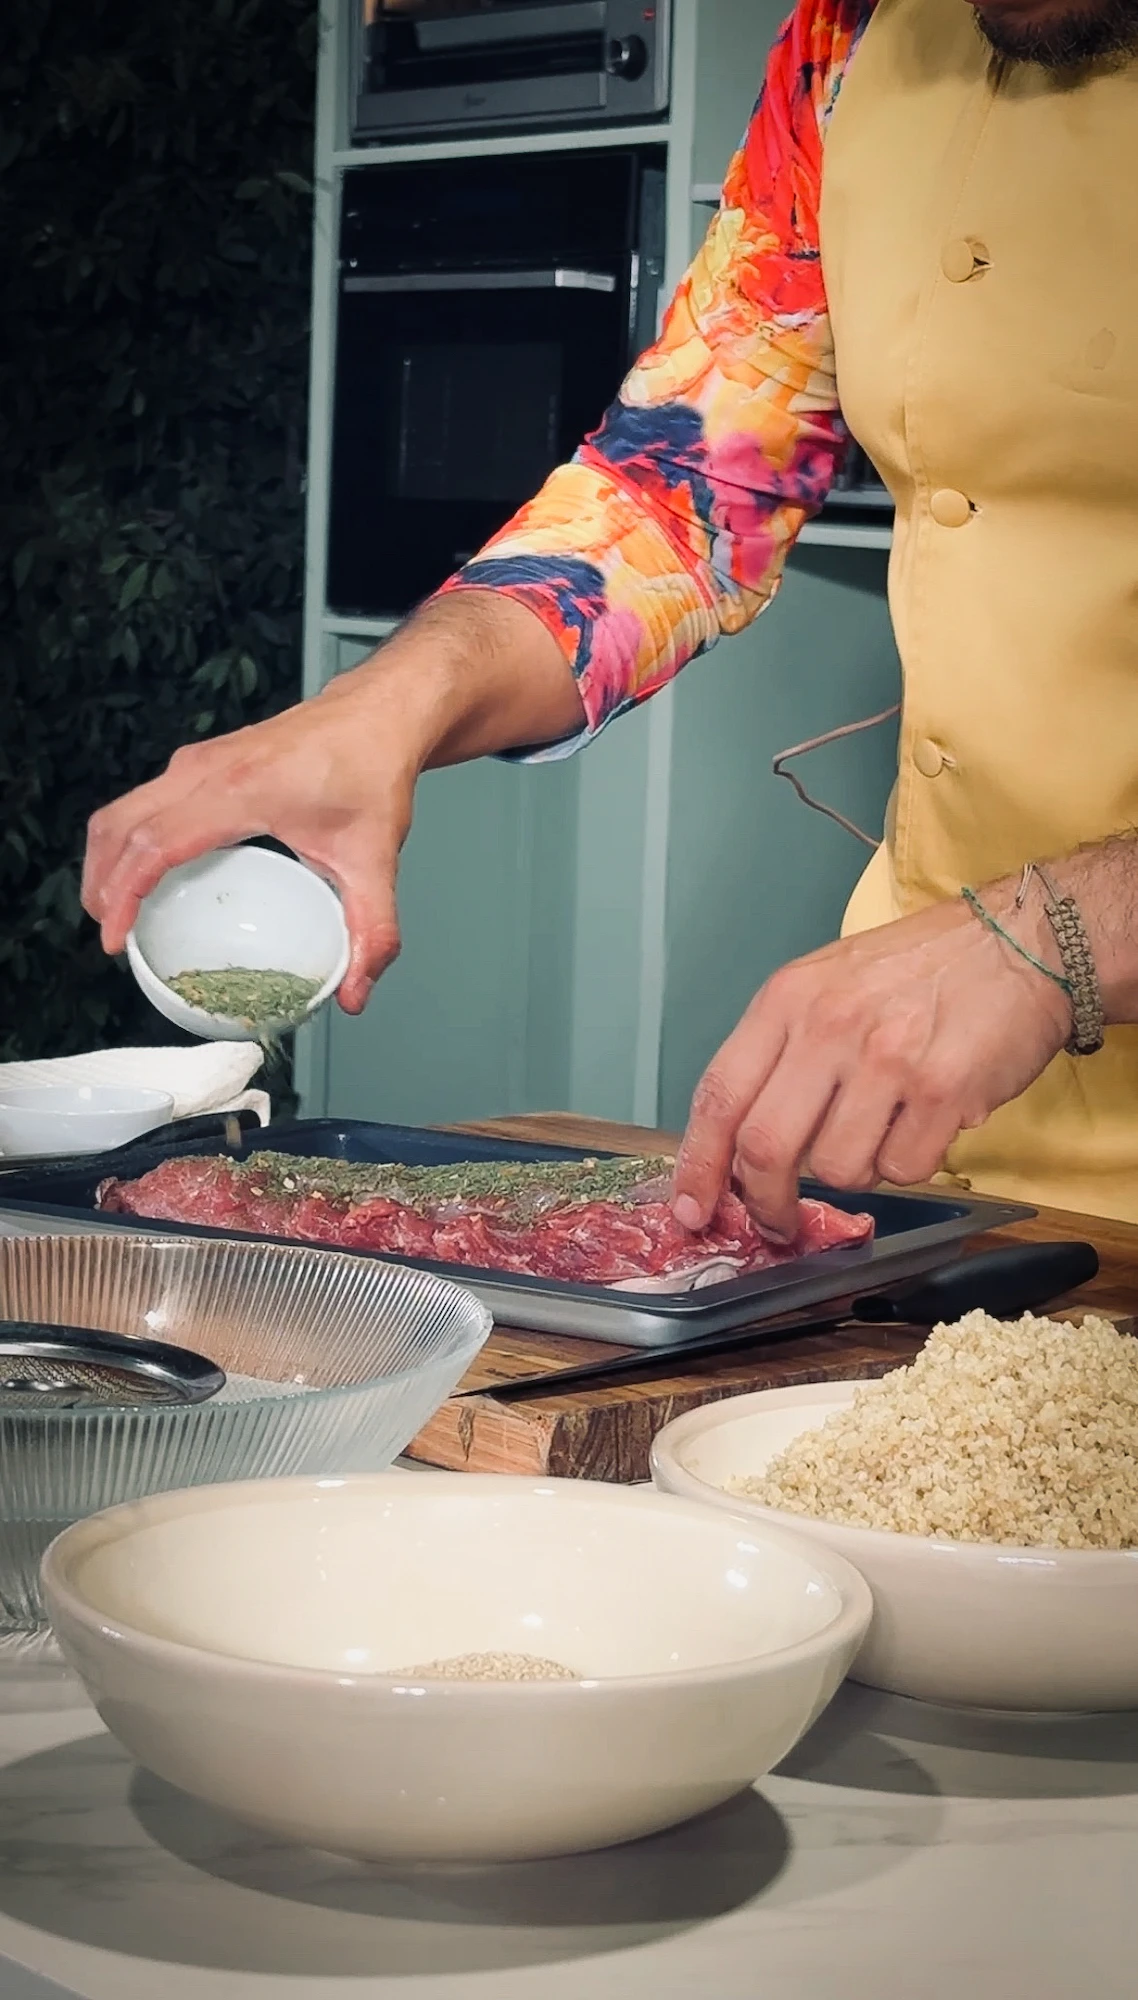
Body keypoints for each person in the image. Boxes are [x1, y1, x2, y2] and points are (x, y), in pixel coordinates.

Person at [82, 0, 1138, 1235]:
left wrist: (1056, 932)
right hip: (913, 1121)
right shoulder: (843, 44)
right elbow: (684, 487)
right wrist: (383, 703)